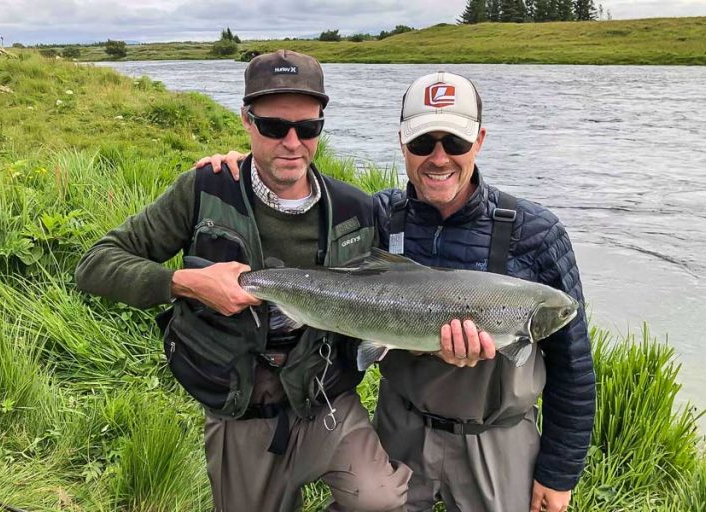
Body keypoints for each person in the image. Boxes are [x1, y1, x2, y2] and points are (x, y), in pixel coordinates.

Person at [196, 72, 596, 512]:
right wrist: (247, 166)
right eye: (423, 143)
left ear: (479, 141)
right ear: (403, 143)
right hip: (401, 427)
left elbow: (573, 368)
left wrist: (559, 474)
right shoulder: (377, 216)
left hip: (497, 436)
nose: (439, 158)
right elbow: (301, 197)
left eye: (455, 143)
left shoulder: (537, 233)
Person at [75, 49, 412, 512]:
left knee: (381, 500)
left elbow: (408, 278)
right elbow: (95, 264)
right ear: (246, 121)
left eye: (307, 128)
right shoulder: (203, 190)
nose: (292, 143)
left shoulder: (356, 207)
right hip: (242, 404)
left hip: (326, 399)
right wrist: (185, 283)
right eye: (274, 127)